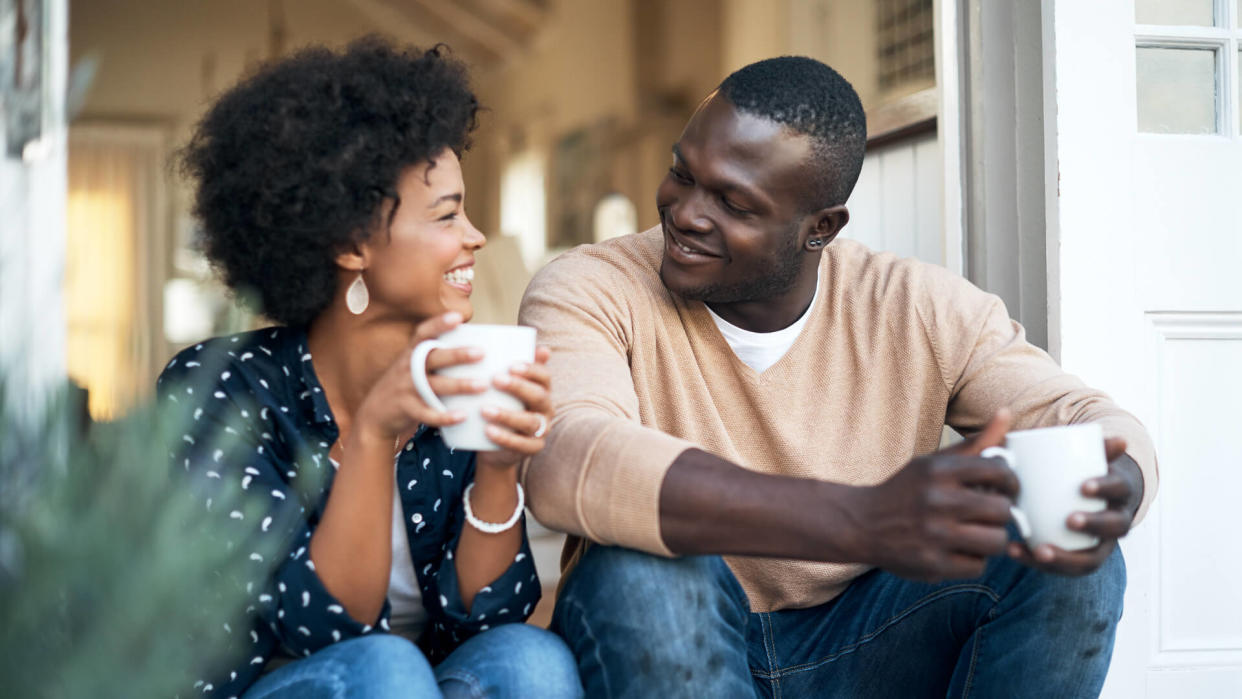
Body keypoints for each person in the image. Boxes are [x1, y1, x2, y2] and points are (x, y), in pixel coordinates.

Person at [519, 56, 1156, 698]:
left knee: (1069, 552)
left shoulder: (916, 305)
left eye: (733, 202)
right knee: (639, 568)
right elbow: (568, 461)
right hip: (672, 632)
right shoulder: (591, 287)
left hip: (865, 643)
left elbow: (1085, 418)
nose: (685, 213)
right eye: (682, 175)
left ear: (820, 228)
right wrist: (862, 517)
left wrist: (1115, 485)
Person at [159, 38, 581, 698]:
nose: (475, 236)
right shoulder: (223, 392)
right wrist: (375, 436)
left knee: (532, 658)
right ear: (351, 244)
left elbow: (487, 621)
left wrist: (499, 469)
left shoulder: (454, 382)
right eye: (448, 214)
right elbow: (321, 630)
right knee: (386, 666)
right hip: (276, 684)